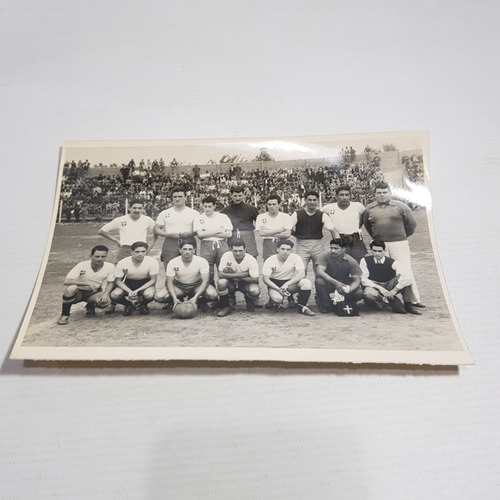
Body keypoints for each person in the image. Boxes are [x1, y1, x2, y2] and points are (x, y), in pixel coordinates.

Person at [362, 182, 424, 307]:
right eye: (379, 193)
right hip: (379, 245)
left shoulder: (401, 206)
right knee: (383, 269)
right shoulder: (369, 208)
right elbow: (368, 226)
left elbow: (411, 224)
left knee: (405, 270)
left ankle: (412, 300)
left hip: (398, 243)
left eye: (384, 192)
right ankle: (384, 297)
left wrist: (400, 236)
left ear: (390, 193)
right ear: (374, 194)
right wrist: (378, 238)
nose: (381, 195)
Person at [154, 238, 218, 311]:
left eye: (190, 249)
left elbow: (205, 281)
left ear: (194, 250)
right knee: (159, 296)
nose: (187, 252)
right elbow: (169, 282)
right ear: (180, 250)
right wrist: (174, 298)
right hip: (180, 286)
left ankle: (199, 301)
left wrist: (196, 297)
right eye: (184, 249)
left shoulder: (201, 261)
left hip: (196, 285)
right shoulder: (173, 262)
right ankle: (175, 301)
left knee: (213, 294)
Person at [56, 245, 115, 325]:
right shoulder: (82, 265)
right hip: (78, 293)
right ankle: (65, 315)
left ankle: (90, 306)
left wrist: (106, 294)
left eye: (103, 256)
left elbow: (110, 282)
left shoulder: (110, 266)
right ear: (91, 256)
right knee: (71, 289)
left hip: (94, 292)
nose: (100, 259)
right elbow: (67, 281)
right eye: (97, 256)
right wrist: (87, 283)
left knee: (105, 301)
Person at [359, 240, 421, 315]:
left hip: (389, 284)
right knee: (368, 294)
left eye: (380, 251)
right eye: (374, 251)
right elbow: (363, 279)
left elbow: (407, 276)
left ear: (384, 251)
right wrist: (380, 288)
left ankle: (408, 305)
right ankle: (384, 301)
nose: (377, 253)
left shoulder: (392, 262)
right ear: (371, 251)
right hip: (374, 285)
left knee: (406, 280)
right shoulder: (365, 261)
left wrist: (394, 290)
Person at [262, 239, 315, 316]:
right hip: (275, 284)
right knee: (278, 299)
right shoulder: (270, 260)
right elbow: (265, 279)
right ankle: (274, 300)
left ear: (291, 251)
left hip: (290, 284)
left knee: (306, 283)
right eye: (282, 249)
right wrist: (278, 289)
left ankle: (302, 306)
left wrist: (287, 284)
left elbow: (301, 274)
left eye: (288, 249)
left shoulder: (296, 258)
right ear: (277, 249)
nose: (285, 252)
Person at [290, 190, 339, 273]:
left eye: (314, 200)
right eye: (309, 200)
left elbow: (333, 230)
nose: (312, 202)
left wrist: (338, 244)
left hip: (317, 245)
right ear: (305, 200)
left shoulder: (322, 215)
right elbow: (288, 228)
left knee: (320, 270)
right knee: (301, 270)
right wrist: (297, 234)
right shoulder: (297, 214)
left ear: (317, 201)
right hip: (302, 245)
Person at [98, 199, 157, 263]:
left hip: (140, 250)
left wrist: (150, 247)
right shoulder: (121, 219)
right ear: (129, 208)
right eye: (134, 208)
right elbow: (102, 231)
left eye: (139, 208)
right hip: (125, 250)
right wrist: (116, 240)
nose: (137, 210)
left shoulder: (147, 220)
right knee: (121, 270)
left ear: (142, 209)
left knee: (140, 271)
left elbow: (156, 232)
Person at [315, 239, 364, 314]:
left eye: (336, 248)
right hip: (329, 282)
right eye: (331, 248)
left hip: (344, 283)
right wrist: (336, 283)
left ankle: (343, 302)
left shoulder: (351, 261)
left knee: (359, 292)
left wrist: (348, 290)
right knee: (319, 281)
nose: (333, 251)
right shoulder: (324, 256)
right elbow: (319, 272)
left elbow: (356, 280)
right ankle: (325, 305)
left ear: (343, 249)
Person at [109, 241, 159, 316]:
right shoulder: (123, 262)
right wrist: (129, 291)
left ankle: (142, 304)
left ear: (146, 251)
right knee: (114, 295)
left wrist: (138, 290)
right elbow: (118, 281)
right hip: (128, 283)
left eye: (143, 251)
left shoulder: (152, 261)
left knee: (149, 295)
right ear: (131, 252)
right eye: (137, 251)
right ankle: (128, 304)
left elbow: (153, 280)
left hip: (145, 283)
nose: (140, 254)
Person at [154, 186, 198, 269]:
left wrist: (190, 233)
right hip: (170, 241)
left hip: (188, 241)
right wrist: (168, 235)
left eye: (180, 196)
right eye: (175, 197)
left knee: (190, 267)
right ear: (172, 198)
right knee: (170, 267)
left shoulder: (194, 213)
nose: (177, 199)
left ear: (185, 197)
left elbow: (199, 230)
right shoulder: (165, 213)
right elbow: (156, 229)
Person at [321, 185, 367, 262]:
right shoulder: (328, 208)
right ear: (336, 196)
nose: (344, 197)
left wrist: (358, 226)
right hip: (339, 239)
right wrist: (331, 229)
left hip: (355, 238)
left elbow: (365, 216)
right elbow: (318, 216)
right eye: (341, 195)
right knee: (340, 263)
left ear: (350, 195)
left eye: (347, 195)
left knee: (360, 262)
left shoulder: (357, 206)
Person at [216, 239, 261, 317]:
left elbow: (255, 279)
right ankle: (226, 306)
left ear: (245, 250)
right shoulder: (226, 256)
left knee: (255, 290)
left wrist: (233, 274)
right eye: (235, 251)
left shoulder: (251, 259)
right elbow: (220, 275)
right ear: (231, 250)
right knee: (221, 283)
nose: (238, 253)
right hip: (231, 283)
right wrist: (242, 274)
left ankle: (249, 300)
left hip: (245, 283)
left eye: (240, 250)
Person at [194, 195, 233, 284]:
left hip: (222, 244)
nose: (207, 209)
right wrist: (218, 230)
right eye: (205, 206)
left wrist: (207, 232)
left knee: (224, 267)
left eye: (210, 206)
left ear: (214, 206)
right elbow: (200, 234)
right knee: (207, 269)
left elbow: (229, 234)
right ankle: (210, 291)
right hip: (206, 245)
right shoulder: (199, 218)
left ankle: (227, 292)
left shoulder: (223, 217)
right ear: (202, 206)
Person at [221, 185, 259, 258]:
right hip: (232, 237)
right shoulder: (225, 211)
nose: (237, 198)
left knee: (251, 258)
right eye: (235, 195)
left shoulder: (251, 209)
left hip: (248, 238)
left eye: (240, 195)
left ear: (244, 195)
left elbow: (260, 222)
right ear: (231, 195)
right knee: (233, 259)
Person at [256, 194, 293, 262]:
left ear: (279, 204)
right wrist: (280, 230)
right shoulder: (261, 217)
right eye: (269, 204)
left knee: (284, 265)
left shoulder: (286, 216)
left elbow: (287, 234)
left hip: (282, 243)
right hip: (268, 243)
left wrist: (268, 232)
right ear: (266, 205)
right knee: (269, 264)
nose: (272, 206)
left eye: (274, 204)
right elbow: (261, 233)